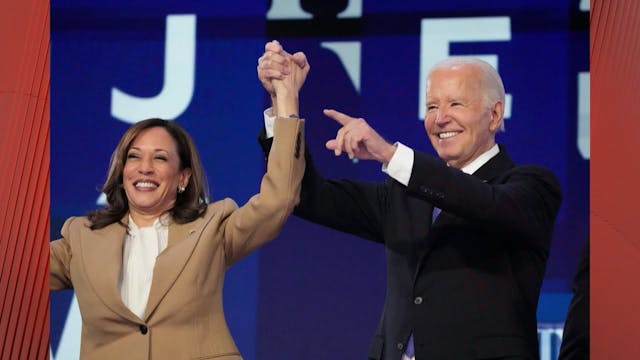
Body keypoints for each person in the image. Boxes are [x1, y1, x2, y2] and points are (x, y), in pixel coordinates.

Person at [258, 41, 562, 359]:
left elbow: (482, 203)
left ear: (494, 114)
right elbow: (307, 196)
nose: (440, 119)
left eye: (456, 104)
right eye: (431, 107)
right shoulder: (405, 196)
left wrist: (390, 154)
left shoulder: (531, 187)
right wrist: (284, 101)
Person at [49, 47, 309, 360]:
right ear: (122, 172)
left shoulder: (211, 228)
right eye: (134, 157)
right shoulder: (81, 237)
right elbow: (13, 268)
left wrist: (285, 98)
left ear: (182, 177)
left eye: (160, 158)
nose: (145, 168)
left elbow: (278, 199)